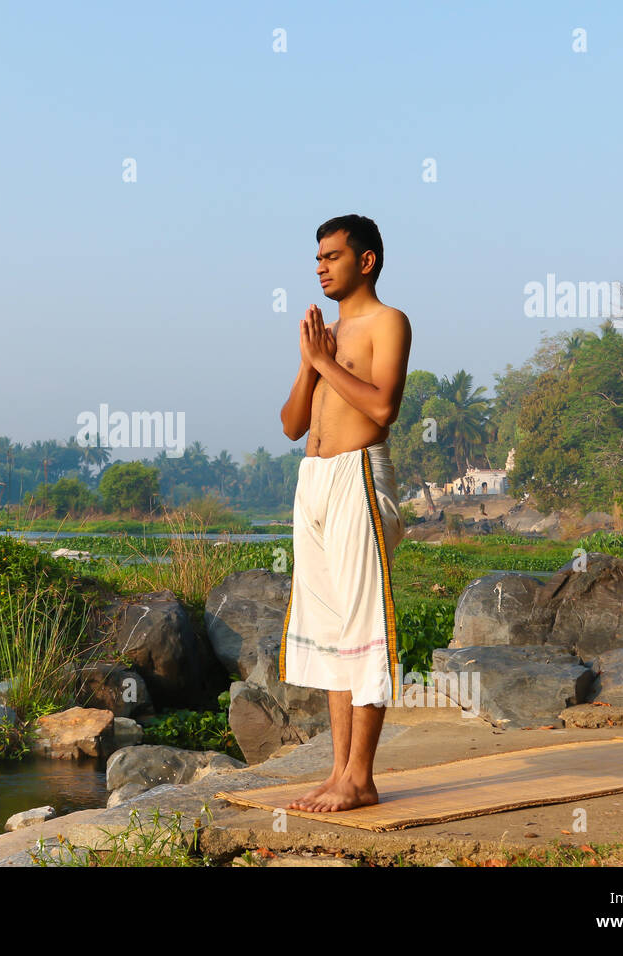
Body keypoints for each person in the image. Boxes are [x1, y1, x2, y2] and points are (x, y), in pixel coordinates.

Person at [277, 214, 412, 812]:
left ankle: (362, 776)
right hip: (315, 480)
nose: (320, 267)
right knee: (331, 633)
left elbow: (383, 407)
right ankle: (339, 773)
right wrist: (310, 361)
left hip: (359, 474)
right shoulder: (324, 337)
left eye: (331, 256)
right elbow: (290, 425)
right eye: (317, 258)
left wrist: (326, 361)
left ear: (366, 261)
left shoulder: (389, 322)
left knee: (363, 627)